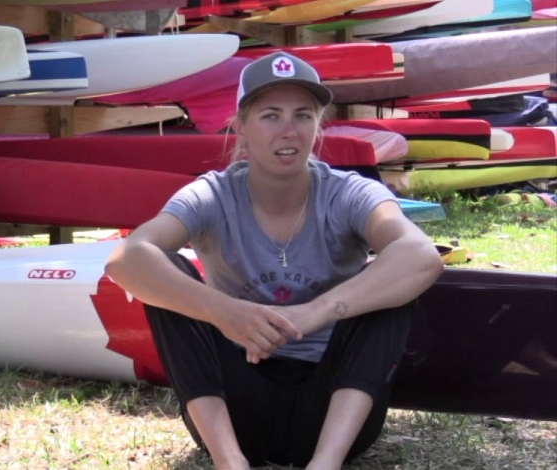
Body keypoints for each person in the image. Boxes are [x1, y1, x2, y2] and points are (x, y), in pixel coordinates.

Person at [105, 52, 444, 470]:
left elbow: (421, 255)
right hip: (237, 409)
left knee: (391, 279)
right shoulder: (212, 193)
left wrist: (312, 314)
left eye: (303, 115)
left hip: (333, 409)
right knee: (165, 271)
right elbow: (126, 260)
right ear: (240, 129)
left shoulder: (349, 192)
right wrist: (225, 312)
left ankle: (326, 463)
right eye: (270, 115)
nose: (289, 130)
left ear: (318, 126)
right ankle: (231, 463)